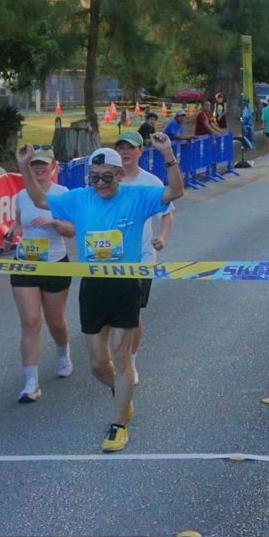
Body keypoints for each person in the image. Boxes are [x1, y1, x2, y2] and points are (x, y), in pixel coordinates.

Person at [18, 134, 185, 454]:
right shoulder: (80, 198)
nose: (100, 184)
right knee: (97, 364)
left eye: (107, 177)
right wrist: (26, 168)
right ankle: (122, 397)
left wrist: (167, 153)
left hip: (126, 284)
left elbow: (175, 192)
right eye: (94, 178)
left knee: (122, 358)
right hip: (93, 287)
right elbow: (40, 200)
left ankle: (118, 424)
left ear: (120, 174)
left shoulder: (137, 196)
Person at [6, 146, 75, 402]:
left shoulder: (62, 194)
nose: (38, 167)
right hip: (25, 263)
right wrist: (10, 234)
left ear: (53, 166)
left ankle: (62, 353)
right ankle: (31, 383)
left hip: (55, 263)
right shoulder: (22, 195)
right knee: (30, 321)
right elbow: (17, 223)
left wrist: (54, 222)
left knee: (55, 321)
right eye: (34, 164)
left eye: (43, 164)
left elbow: (71, 231)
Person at [112, 130, 174, 372]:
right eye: (120, 147)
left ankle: (131, 360)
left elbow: (167, 215)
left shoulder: (151, 182)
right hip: (108, 259)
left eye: (130, 147)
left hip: (141, 258)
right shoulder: (107, 179)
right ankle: (114, 357)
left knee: (131, 313)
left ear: (140, 151)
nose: (124, 152)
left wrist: (162, 236)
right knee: (110, 314)